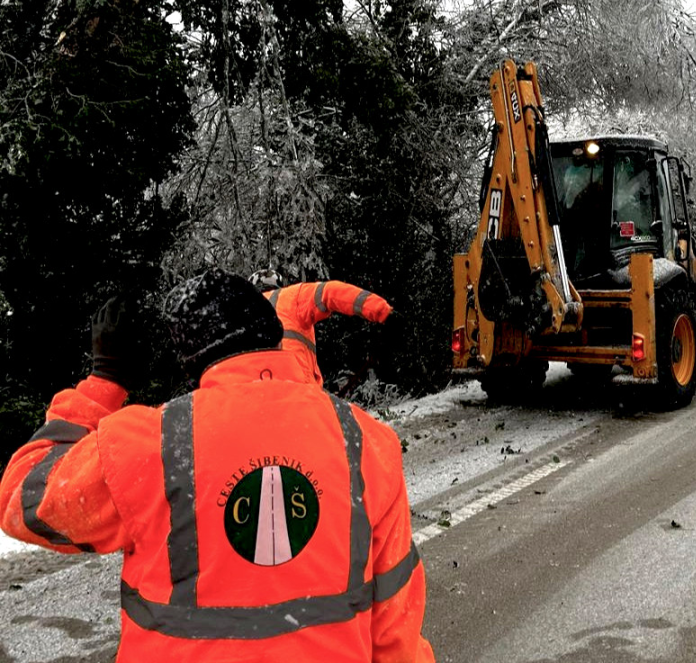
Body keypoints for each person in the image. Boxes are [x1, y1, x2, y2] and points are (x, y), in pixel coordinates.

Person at [0, 269, 435, 662]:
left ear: (190, 360)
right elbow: (396, 629)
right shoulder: (366, 443)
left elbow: (23, 496)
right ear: (273, 330)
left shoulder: (152, 444)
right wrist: (383, 313)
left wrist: (103, 383)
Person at [250, 268, 398, 386]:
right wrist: (382, 311)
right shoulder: (292, 296)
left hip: (254, 398)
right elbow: (331, 292)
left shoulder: (238, 312)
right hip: (298, 391)